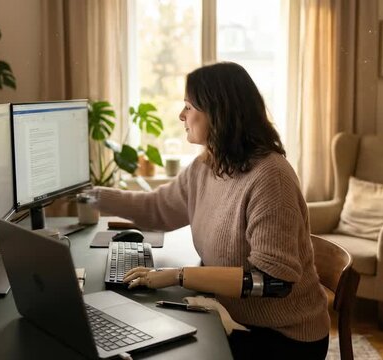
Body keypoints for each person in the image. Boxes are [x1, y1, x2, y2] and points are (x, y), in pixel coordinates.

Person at [93, 62, 329, 359]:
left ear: (218, 114)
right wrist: (92, 196)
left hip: (282, 336)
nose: (181, 115)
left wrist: (178, 275)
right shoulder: (206, 167)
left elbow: (274, 282)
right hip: (229, 317)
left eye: (189, 107)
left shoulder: (271, 178)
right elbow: (156, 209)